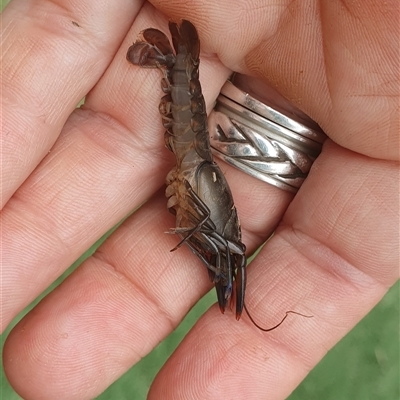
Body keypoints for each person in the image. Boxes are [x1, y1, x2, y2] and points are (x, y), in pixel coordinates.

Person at [1, 1, 398, 399]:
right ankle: (173, 65)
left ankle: (172, 64)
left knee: (222, 238)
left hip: (193, 157)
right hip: (190, 143)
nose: (225, 254)